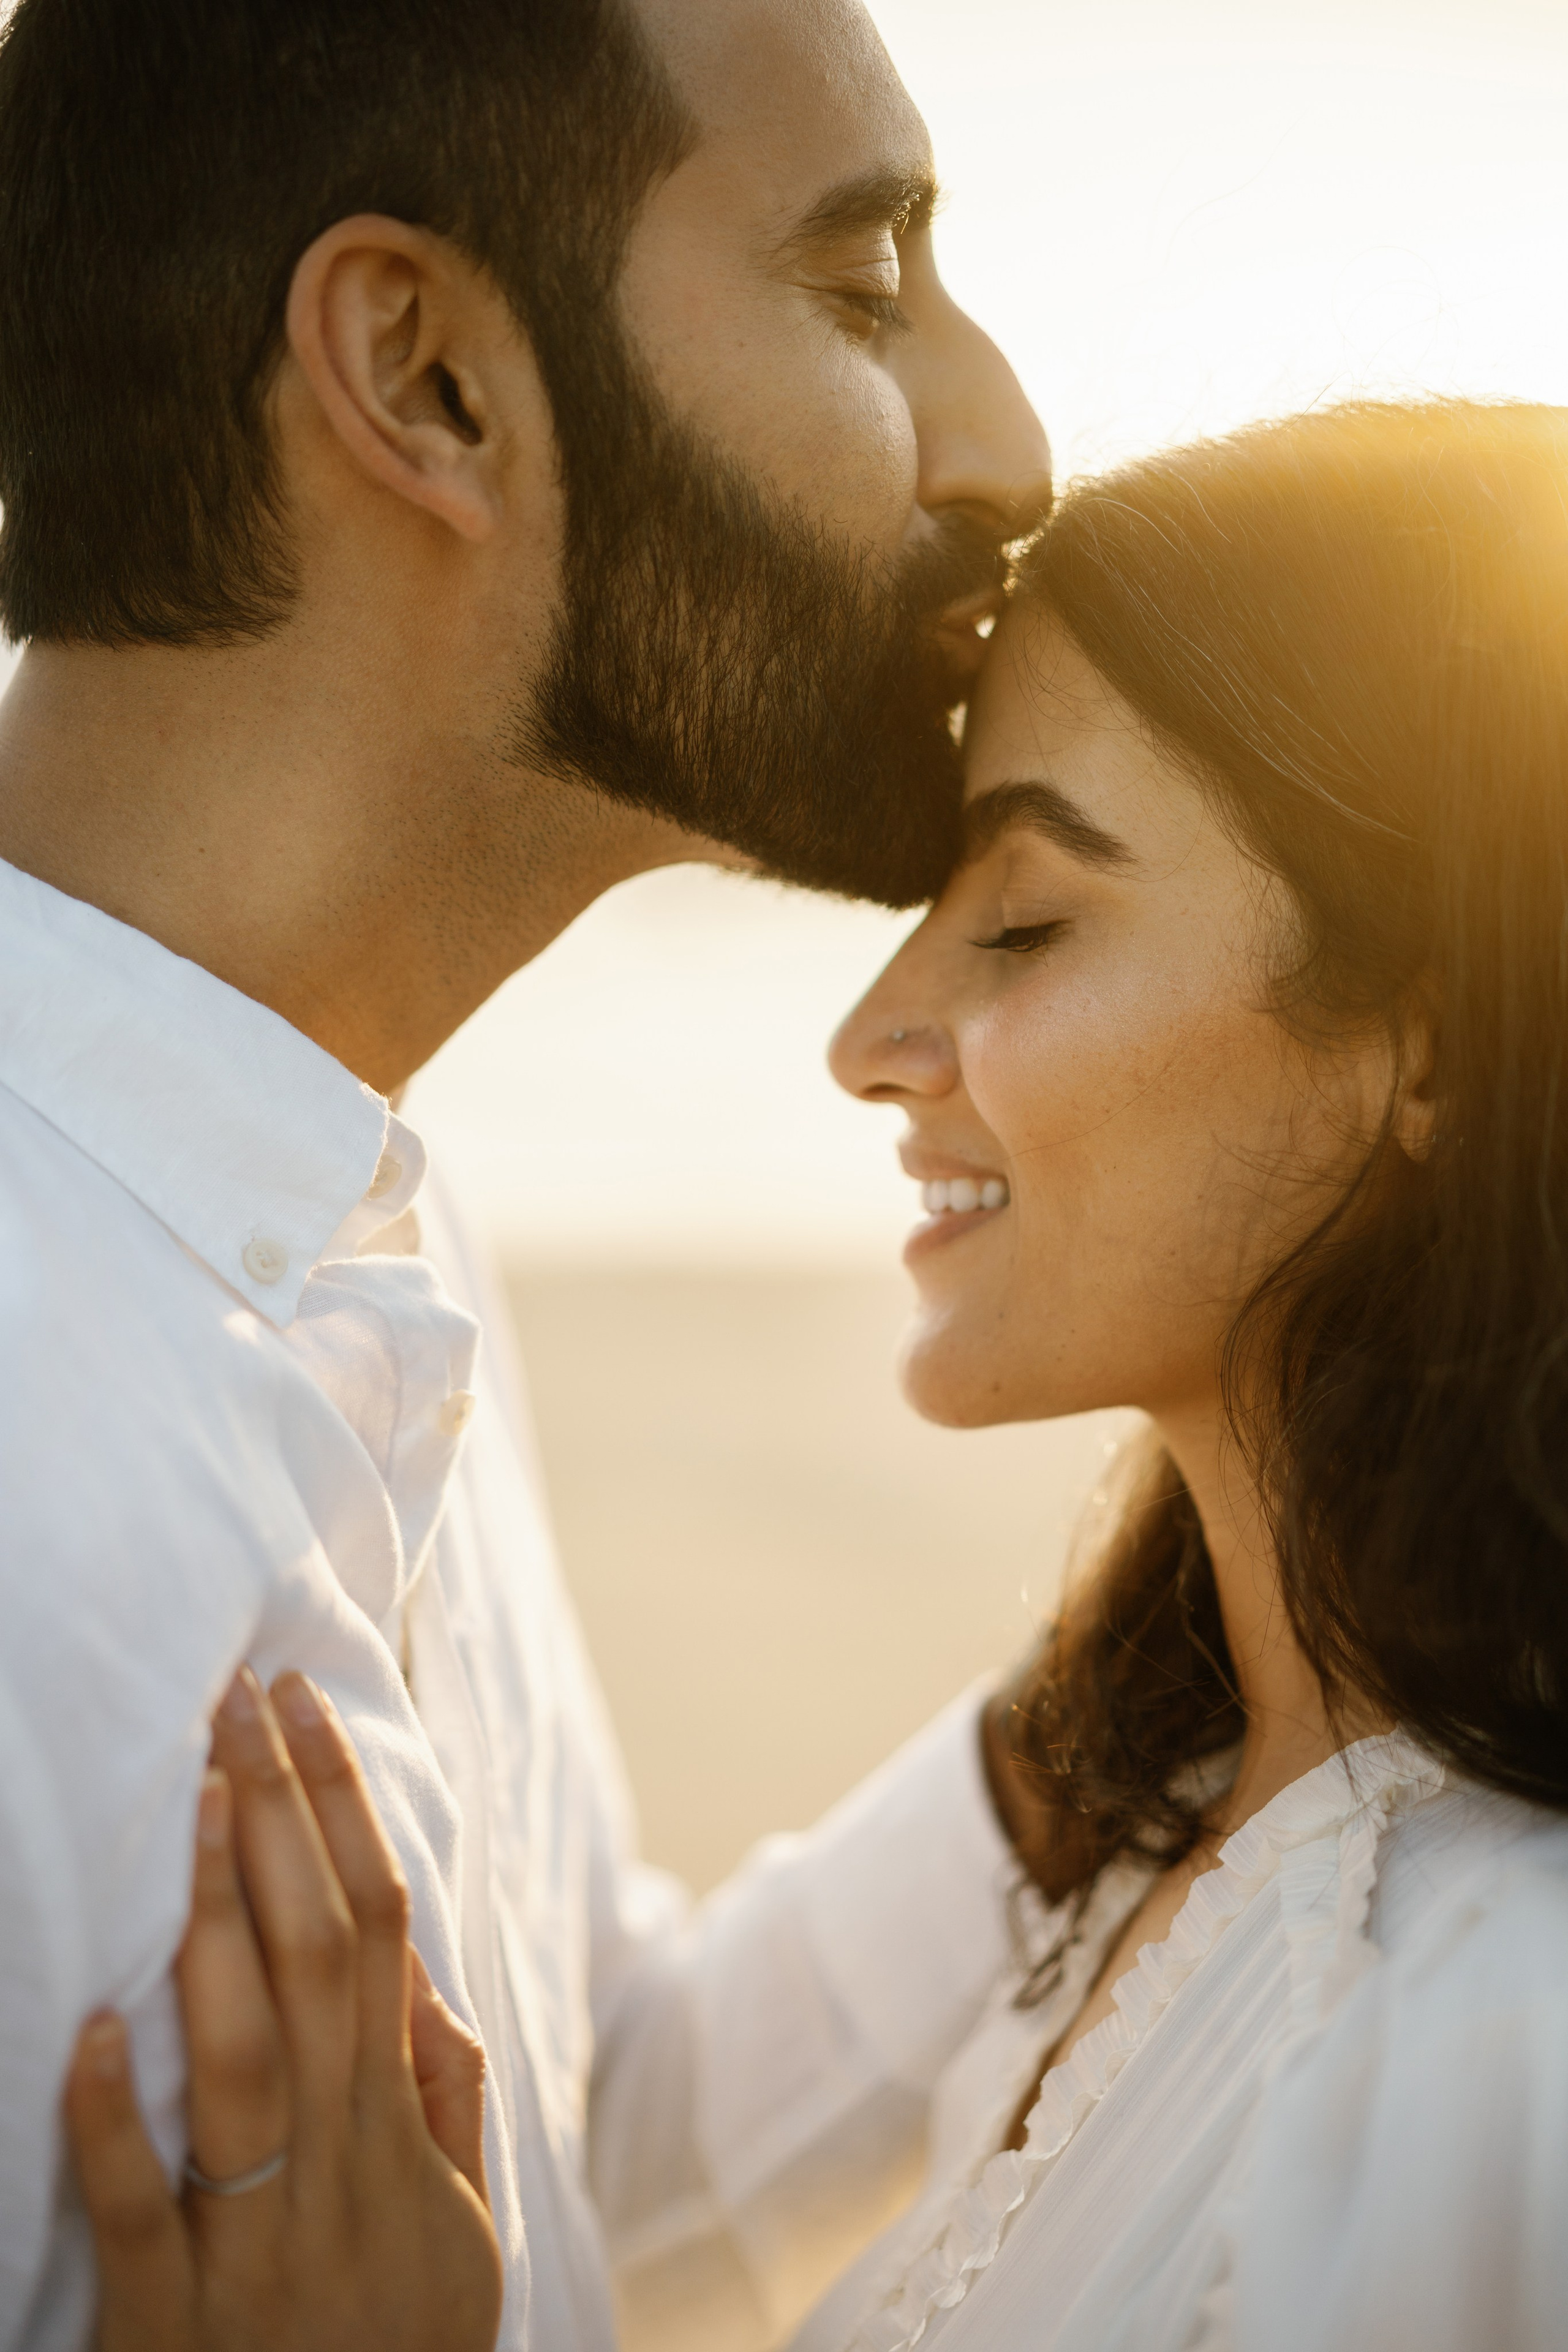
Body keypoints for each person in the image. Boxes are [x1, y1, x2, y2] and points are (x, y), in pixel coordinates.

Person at [0, 1, 1052, 2348]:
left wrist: (1158, 1686)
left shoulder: (355, 1215)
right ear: (425, 373)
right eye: (865, 292)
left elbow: (590, 2150)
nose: (1003, 441)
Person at [788, 397, 1568, 2350]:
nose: (874, 1035)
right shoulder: (1147, 1806)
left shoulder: (1501, 2033)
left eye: (1028, 918)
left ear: (1438, 1050)